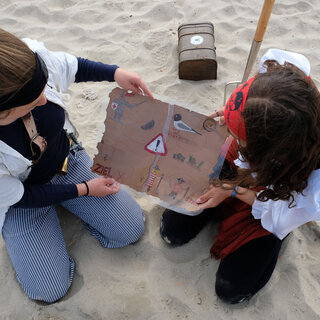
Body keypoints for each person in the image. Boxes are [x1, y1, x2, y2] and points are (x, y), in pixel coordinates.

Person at [0, 28, 154, 303]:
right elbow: (21, 196)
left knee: (130, 229)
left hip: (65, 161)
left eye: (42, 90)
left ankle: (71, 212)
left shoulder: (29, 62)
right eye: (33, 102)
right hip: (21, 199)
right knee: (49, 290)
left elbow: (72, 67)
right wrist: (84, 190)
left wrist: (116, 73)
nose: (44, 100)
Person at [160, 48, 320, 304]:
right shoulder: (282, 73)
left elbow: (281, 217)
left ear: (268, 152)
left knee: (232, 289)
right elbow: (252, 99)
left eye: (238, 136)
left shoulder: (315, 186)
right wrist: (229, 117)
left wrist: (232, 189)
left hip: (278, 197)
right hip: (245, 164)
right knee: (172, 231)